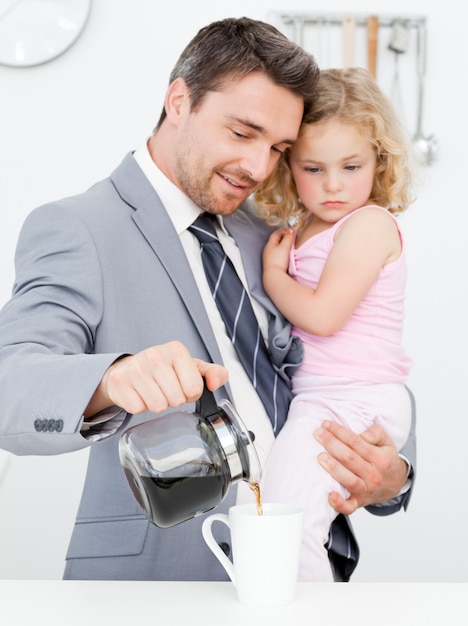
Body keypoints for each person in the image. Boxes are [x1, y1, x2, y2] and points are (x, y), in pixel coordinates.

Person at [0, 18, 415, 582]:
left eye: (279, 148)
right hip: (159, 582)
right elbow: (9, 384)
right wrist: (112, 379)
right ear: (179, 101)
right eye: (243, 134)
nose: (259, 167)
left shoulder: (268, 230)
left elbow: (345, 352)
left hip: (297, 569)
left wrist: (395, 472)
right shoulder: (80, 227)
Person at [255, 67, 415, 581]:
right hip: (325, 397)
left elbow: (323, 316)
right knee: (282, 524)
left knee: (287, 528)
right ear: (287, 165)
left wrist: (274, 275)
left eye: (351, 166)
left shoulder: (367, 223)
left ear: (379, 161)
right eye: (313, 168)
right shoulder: (302, 227)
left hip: (352, 398)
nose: (333, 186)